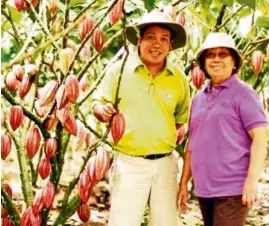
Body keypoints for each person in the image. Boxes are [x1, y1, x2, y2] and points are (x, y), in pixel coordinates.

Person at [92, 10, 190, 226]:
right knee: (124, 222)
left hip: (165, 162)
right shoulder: (119, 71)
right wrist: (103, 110)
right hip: (129, 162)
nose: (157, 44)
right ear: (140, 39)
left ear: (171, 45)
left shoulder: (179, 79)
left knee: (165, 222)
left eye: (164, 39)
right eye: (151, 37)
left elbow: (180, 119)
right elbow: (97, 104)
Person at [178, 32, 268, 226]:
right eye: (210, 55)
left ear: (234, 61)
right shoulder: (198, 99)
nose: (216, 59)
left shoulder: (244, 94)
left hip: (232, 189)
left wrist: (252, 182)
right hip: (204, 189)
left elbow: (260, 138)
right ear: (203, 63)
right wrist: (183, 183)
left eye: (223, 54)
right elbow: (191, 145)